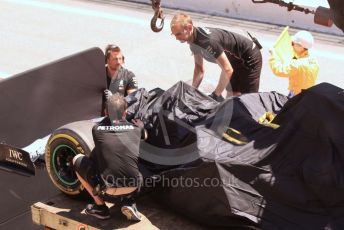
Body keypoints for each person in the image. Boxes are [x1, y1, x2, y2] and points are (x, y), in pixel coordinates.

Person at [73, 93, 147, 221]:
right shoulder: (136, 129)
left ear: (106, 112)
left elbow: (108, 127)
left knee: (78, 159)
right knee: (132, 158)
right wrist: (138, 124)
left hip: (109, 190)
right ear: (125, 113)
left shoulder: (97, 130)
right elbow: (145, 136)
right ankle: (129, 201)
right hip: (134, 185)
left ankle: (100, 207)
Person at [170, 13, 263, 101]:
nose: (176, 38)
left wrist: (215, 94)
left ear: (189, 27)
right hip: (234, 61)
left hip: (249, 57)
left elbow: (227, 69)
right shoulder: (193, 41)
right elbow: (199, 69)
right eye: (174, 35)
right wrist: (192, 91)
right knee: (231, 97)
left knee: (247, 101)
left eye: (178, 34)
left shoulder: (207, 41)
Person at [269, 30, 319, 97]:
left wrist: (273, 56)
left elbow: (279, 70)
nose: (291, 45)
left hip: (296, 95)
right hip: (308, 94)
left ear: (300, 46)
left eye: (293, 43)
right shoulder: (312, 57)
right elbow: (296, 58)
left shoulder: (297, 65)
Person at [102, 45, 138, 116]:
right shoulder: (99, 74)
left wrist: (113, 100)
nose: (118, 62)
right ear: (107, 60)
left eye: (120, 59)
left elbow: (134, 101)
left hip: (121, 115)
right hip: (101, 116)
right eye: (115, 59)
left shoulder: (129, 76)